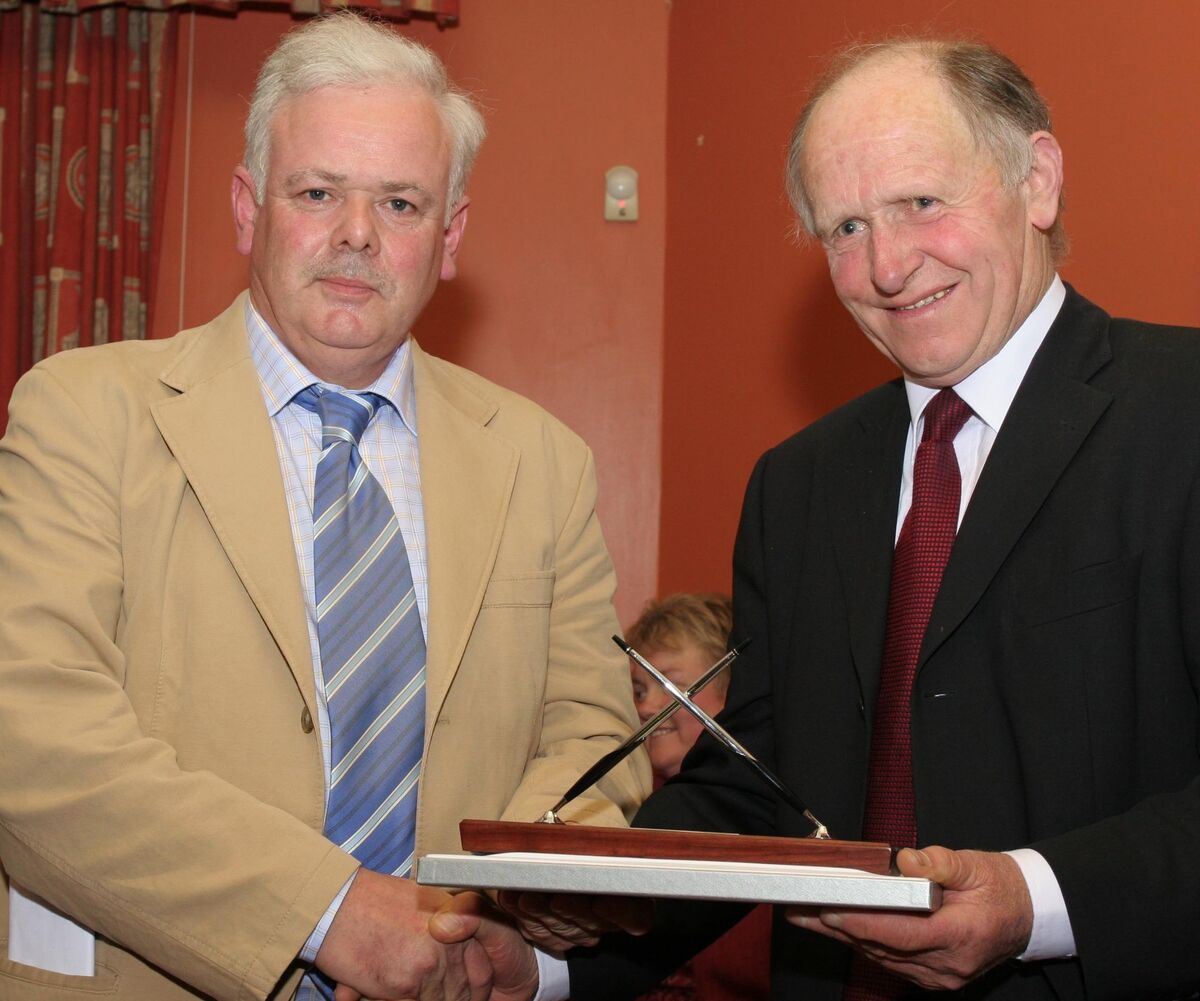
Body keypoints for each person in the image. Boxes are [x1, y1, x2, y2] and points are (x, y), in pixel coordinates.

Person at [446, 36, 1200, 1001]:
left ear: (1038, 180)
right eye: (845, 228)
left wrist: (1034, 901)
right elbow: (760, 791)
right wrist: (562, 943)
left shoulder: (1181, 418)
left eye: (921, 203)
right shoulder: (798, 486)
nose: (888, 265)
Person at [0, 12, 648, 1001]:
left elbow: (590, 739)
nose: (356, 234)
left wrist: (521, 926)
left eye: (399, 201)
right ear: (249, 208)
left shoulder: (541, 462)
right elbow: (32, 736)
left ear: (450, 235)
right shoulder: (83, 412)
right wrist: (329, 908)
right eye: (318, 192)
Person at [625, 594, 769, 1001]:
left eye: (671, 684)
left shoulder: (766, 824)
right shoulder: (618, 811)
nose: (646, 705)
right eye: (638, 689)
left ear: (734, 696)